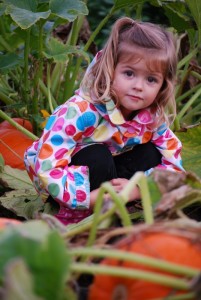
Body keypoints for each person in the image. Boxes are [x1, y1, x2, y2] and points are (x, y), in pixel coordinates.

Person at [24, 17, 184, 225]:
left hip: (111, 171)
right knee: (97, 155)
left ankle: (122, 202)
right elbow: (47, 164)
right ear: (111, 69)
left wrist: (138, 189)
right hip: (66, 180)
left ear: (163, 85)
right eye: (129, 73)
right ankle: (76, 217)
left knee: (152, 152)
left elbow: (175, 163)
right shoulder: (79, 112)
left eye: (151, 79)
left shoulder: (152, 118)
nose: (138, 86)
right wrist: (82, 199)